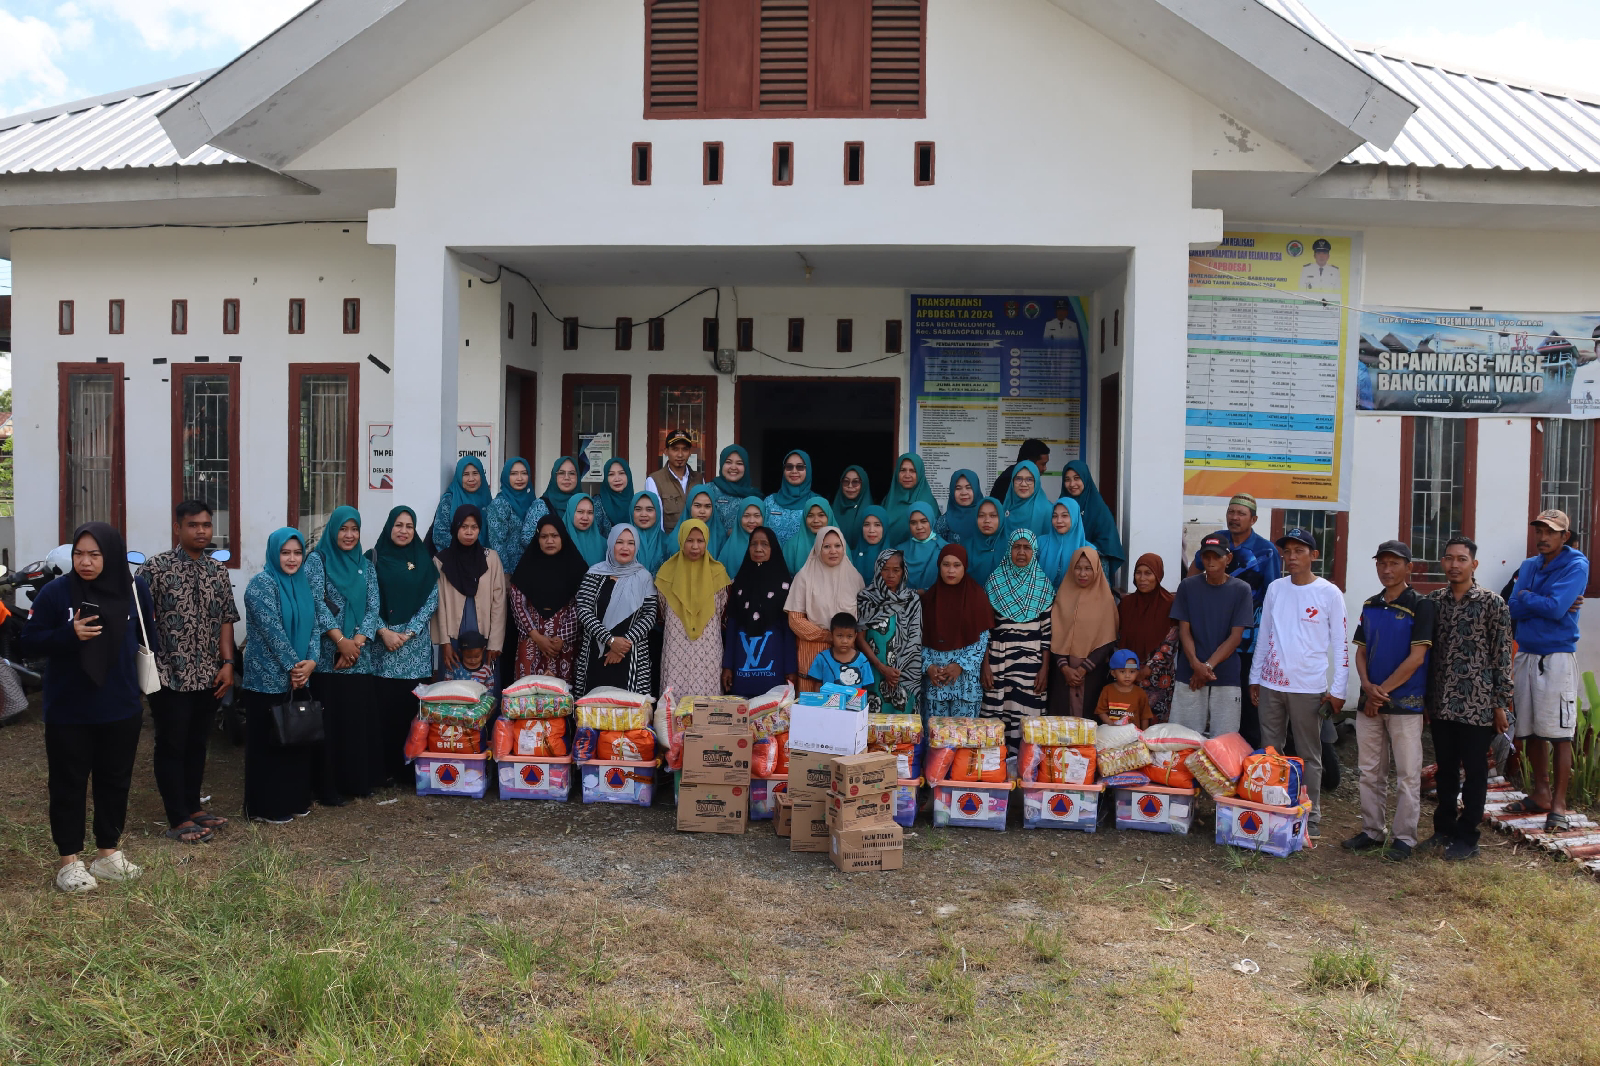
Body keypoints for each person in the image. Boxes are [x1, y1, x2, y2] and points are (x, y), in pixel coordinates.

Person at [22, 522, 154, 892]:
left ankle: (108, 855)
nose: (85, 561)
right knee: (68, 784)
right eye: (79, 553)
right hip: (69, 709)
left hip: (121, 705)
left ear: (109, 555)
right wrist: (69, 635)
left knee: (115, 781)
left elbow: (148, 637)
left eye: (94, 554)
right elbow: (29, 642)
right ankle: (70, 862)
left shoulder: (134, 589)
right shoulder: (55, 593)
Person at [139, 500, 238, 844]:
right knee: (172, 743)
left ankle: (194, 807)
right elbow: (138, 621)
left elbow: (226, 619)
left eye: (206, 525)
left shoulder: (217, 571)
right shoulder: (156, 568)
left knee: (198, 742)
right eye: (193, 525)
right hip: (170, 675)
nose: (201, 531)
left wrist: (228, 665)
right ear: (177, 528)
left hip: (208, 674)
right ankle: (177, 817)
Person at [1250, 527, 1348, 839]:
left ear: (1314, 556)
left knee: (1309, 755)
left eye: (1299, 551)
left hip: (1309, 688)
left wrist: (1338, 690)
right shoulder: (1277, 588)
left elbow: (1341, 645)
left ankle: (1312, 815)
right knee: (1271, 752)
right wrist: (1255, 678)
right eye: (1287, 551)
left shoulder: (1329, 593)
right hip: (1271, 683)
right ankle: (1275, 809)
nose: (1291, 557)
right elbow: (1264, 636)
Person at [1344, 540, 1434, 862]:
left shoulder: (1421, 605)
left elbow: (1417, 658)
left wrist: (1379, 692)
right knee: (1369, 771)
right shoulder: (1370, 605)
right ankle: (1371, 830)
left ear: (1409, 568)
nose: (1387, 569)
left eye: (1394, 563)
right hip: (1370, 701)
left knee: (1408, 774)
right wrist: (1367, 686)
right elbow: (1361, 651)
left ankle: (1405, 838)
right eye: (1382, 563)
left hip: (1405, 703)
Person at [1423, 537, 1513, 861]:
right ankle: (1443, 829)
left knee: (1475, 772)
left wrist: (1500, 704)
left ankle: (1468, 836)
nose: (1454, 565)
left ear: (1473, 565)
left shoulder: (1493, 604)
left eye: (1461, 559)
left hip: (1478, 704)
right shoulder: (1433, 601)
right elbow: (1425, 653)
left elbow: (1501, 656)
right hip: (1442, 701)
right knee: (1445, 770)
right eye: (1449, 558)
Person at [1507, 508, 1590, 831]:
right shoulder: (1529, 565)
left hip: (1556, 657)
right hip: (1526, 653)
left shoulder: (1576, 564)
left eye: (1550, 532)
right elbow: (1512, 606)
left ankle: (1558, 804)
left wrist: (1530, 597)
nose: (1543, 537)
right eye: (1539, 531)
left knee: (1559, 733)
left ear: (1564, 536)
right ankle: (1540, 793)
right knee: (1530, 731)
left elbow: (1556, 611)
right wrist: (1538, 599)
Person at [1185, 493, 1280, 746]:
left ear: (1254, 519)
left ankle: (1248, 758)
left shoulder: (1266, 550)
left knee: (1246, 699)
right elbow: (1195, 569)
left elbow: (1274, 592)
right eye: (1231, 512)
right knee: (1209, 695)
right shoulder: (1216, 540)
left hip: (1249, 636)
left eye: (1241, 513)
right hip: (1213, 630)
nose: (1234, 517)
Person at [240, 528, 319, 825]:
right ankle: (265, 807)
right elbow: (272, 631)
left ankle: (294, 799)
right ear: (275, 553)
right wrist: (294, 666)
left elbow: (313, 626)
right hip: (266, 681)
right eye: (285, 552)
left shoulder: (302, 584)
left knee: (296, 740)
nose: (292, 558)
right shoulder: (261, 585)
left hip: (300, 676)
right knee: (269, 744)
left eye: (297, 553)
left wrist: (311, 662)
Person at [305, 505, 376, 801]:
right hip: (326, 659)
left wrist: (355, 644)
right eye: (344, 529)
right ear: (333, 530)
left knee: (354, 722)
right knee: (329, 724)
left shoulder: (366, 565)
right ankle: (327, 787)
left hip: (358, 660)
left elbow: (374, 607)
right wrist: (339, 641)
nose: (349, 535)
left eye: (354, 529)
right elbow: (316, 602)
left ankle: (354, 782)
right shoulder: (316, 561)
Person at [364, 506, 439, 788]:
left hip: (414, 651)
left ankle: (409, 770)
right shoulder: (372, 559)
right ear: (389, 526)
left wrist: (406, 634)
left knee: (410, 713)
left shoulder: (423, 560)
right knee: (383, 711)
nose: (404, 530)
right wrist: (384, 631)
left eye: (409, 525)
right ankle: (382, 769)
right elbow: (366, 601)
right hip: (382, 651)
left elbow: (431, 600)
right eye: (398, 524)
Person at [1170, 536, 1253, 738]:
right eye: (1206, 556)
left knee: (1224, 741)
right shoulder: (1188, 587)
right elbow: (1184, 630)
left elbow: (1235, 637)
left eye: (1216, 556)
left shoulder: (1241, 590)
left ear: (1229, 558)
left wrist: (1206, 667)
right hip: (1190, 674)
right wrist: (1195, 664)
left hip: (1224, 675)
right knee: (1184, 738)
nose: (1210, 561)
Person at [981, 529, 1055, 749]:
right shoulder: (994, 582)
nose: (1021, 553)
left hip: (1031, 666)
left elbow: (1047, 634)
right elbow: (985, 630)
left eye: (1027, 548)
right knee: (996, 722)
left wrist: (1045, 669)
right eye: (1016, 547)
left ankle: (1023, 769)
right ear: (1009, 549)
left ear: (1035, 551)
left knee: (1026, 719)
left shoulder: (1043, 586)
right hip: (999, 661)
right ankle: (996, 767)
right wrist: (985, 665)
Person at [574, 525, 660, 695]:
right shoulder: (595, 573)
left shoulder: (644, 577)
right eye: (619, 542)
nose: (625, 548)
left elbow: (650, 615)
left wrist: (623, 644)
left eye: (630, 543)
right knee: (593, 711)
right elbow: (584, 610)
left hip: (631, 653)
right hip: (596, 653)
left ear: (636, 547)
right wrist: (610, 641)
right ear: (611, 544)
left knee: (630, 714)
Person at [656, 518, 732, 697]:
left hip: (708, 646)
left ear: (707, 542)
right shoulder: (667, 572)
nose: (695, 546)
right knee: (674, 699)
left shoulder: (718, 573)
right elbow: (662, 609)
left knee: (706, 701)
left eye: (700, 541)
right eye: (689, 540)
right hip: (676, 644)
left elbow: (721, 609)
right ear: (681, 541)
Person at [508, 513, 588, 682]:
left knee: (562, 697)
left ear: (563, 537)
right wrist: (537, 637)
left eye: (554, 536)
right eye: (544, 536)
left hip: (564, 644)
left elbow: (581, 604)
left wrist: (562, 638)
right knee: (528, 696)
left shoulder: (576, 567)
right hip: (532, 641)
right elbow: (517, 604)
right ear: (537, 539)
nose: (549, 541)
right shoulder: (526, 566)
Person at [721, 527, 799, 697]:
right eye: (753, 544)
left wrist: (790, 668)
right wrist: (728, 666)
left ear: (774, 548)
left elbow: (789, 629)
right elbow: (732, 626)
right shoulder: (739, 583)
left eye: (765, 544)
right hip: (743, 661)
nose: (758, 549)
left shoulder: (785, 585)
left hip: (774, 659)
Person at [920, 544, 994, 718]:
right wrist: (928, 666)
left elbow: (982, 638)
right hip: (935, 681)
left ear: (965, 567)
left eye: (956, 565)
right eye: (946, 565)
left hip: (965, 683)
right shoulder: (929, 600)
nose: (951, 570)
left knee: (963, 739)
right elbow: (917, 638)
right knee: (936, 740)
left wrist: (960, 665)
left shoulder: (976, 597)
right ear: (939, 567)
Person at [430, 505, 507, 671]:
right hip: (453, 637)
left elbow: (499, 603)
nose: (469, 532)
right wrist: (445, 642)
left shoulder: (491, 559)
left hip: (485, 638)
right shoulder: (441, 561)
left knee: (486, 690)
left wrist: (495, 642)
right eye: (464, 526)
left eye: (474, 527)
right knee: (452, 690)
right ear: (455, 527)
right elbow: (439, 604)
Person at [787, 527, 865, 683]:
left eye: (838, 545)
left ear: (844, 547)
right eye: (826, 546)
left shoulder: (855, 578)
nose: (833, 551)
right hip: (812, 653)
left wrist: (843, 639)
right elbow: (795, 619)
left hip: (846, 656)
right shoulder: (804, 576)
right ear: (818, 549)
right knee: (812, 704)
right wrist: (828, 636)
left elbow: (862, 621)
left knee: (843, 702)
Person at [1049, 546, 1119, 717]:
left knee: (1089, 721)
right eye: (1078, 568)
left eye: (1088, 568)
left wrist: (1082, 670)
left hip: (1093, 672)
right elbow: (1055, 634)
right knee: (1062, 724)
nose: (1082, 574)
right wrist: (1065, 669)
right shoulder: (1062, 596)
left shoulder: (1106, 600)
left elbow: (1108, 639)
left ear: (1096, 569)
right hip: (1062, 673)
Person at [856, 549, 923, 715]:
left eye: (896, 570)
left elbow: (915, 639)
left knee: (903, 729)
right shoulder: (866, 597)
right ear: (878, 570)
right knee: (874, 726)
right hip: (874, 670)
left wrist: (894, 673)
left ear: (903, 571)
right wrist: (882, 668)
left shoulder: (911, 600)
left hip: (905, 673)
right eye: (885, 569)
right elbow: (859, 637)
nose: (890, 575)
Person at [1118, 553, 1178, 724]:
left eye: (1148, 573)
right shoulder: (1126, 604)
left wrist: (1146, 670)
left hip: (1158, 680)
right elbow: (1118, 638)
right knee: (1126, 729)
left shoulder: (1170, 604)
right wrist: (1129, 671)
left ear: (1158, 575)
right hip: (1127, 676)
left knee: (1154, 730)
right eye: (1138, 573)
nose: (1142, 578)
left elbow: (1170, 643)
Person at [1060, 461, 1125, 582]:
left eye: (1077, 478)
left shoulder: (1098, 508)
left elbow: (1107, 544)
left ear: (1085, 478)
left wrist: (1081, 549)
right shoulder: (1062, 505)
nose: (1072, 484)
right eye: (1067, 479)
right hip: (1064, 569)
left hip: (1090, 570)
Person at [486, 456, 540, 576]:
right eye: (514, 473)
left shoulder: (532, 500)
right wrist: (504, 574)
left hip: (531, 568)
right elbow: (497, 543)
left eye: (524, 473)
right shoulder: (499, 504)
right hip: (509, 571)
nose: (519, 478)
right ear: (506, 476)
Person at [646, 429, 706, 534]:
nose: (680, 455)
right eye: (675, 449)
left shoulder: (699, 479)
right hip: (668, 544)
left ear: (690, 452)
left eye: (685, 449)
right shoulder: (654, 480)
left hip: (696, 543)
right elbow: (656, 523)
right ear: (666, 451)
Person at [429, 456, 491, 551]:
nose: (471, 479)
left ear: (481, 475)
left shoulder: (487, 499)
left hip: (485, 559)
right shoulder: (449, 500)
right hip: (455, 559)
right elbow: (440, 535)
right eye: (465, 474)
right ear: (458, 476)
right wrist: (464, 554)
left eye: (475, 473)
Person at [882, 453, 940, 546]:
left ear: (920, 473)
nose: (907, 475)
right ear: (897, 473)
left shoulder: (929, 502)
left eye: (913, 471)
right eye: (903, 470)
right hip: (889, 556)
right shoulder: (888, 500)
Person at [807, 612, 876, 688]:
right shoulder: (822, 658)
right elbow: (817, 686)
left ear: (855, 636)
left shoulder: (862, 660)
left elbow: (864, 690)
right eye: (839, 636)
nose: (844, 641)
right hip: (828, 700)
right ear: (831, 635)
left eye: (849, 636)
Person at [763, 449, 814, 545]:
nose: (794, 471)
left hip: (803, 558)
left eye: (800, 467)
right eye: (789, 467)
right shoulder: (769, 502)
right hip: (772, 558)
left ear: (808, 470)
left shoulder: (815, 502)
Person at [707, 444, 760, 537]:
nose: (733, 467)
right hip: (713, 547)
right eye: (728, 462)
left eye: (739, 463)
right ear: (722, 464)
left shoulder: (754, 496)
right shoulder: (709, 490)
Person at [1037, 497, 1089, 589]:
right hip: (1042, 600)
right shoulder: (1040, 543)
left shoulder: (1089, 550)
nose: (1059, 521)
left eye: (1065, 516)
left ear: (1075, 517)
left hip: (1075, 601)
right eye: (1054, 516)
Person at [1095, 650, 1154, 728]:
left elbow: (1145, 716)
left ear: (1137, 672)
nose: (1127, 675)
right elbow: (1101, 712)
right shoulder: (1107, 690)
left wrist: (1144, 736)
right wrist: (1111, 724)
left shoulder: (1140, 693)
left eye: (1132, 671)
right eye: (1122, 671)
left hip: (1133, 736)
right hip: (1112, 734)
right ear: (1113, 673)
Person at [531, 456, 583, 545]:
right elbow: (527, 538)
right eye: (561, 473)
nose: (567, 477)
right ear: (554, 477)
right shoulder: (541, 505)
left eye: (572, 473)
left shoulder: (584, 504)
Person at [782, 497, 838, 574]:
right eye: (810, 516)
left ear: (829, 517)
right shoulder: (792, 546)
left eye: (821, 515)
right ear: (805, 518)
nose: (816, 520)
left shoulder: (840, 544)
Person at [898, 503, 946, 590]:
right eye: (913, 523)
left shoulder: (944, 549)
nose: (919, 527)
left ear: (931, 521)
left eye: (924, 521)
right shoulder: (899, 551)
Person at [718, 497, 766, 578]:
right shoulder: (729, 547)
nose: (751, 520)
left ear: (764, 517)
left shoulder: (772, 544)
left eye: (757, 516)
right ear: (739, 518)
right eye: (746, 515)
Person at [964, 499, 1008, 587]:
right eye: (981, 515)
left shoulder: (1011, 546)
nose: (987, 520)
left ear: (1001, 517)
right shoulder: (966, 547)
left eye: (993, 515)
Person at [1001, 461, 1051, 537]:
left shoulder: (1048, 510)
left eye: (1029, 479)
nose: (1023, 484)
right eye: (1018, 479)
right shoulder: (1006, 507)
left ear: (1036, 482)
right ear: (1012, 482)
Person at [936, 469, 981, 546]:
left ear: (976, 489)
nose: (963, 493)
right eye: (958, 488)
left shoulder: (985, 518)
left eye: (968, 487)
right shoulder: (944, 521)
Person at [832, 466, 873, 549]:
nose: (850, 486)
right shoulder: (831, 510)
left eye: (855, 482)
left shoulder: (871, 513)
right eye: (846, 482)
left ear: (863, 484)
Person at [628, 491, 668, 574]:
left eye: (649, 510)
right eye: (638, 509)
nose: (643, 514)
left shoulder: (667, 543)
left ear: (657, 512)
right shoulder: (622, 541)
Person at [850, 506, 891, 585]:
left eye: (877, 525)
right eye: (866, 524)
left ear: (885, 528)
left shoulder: (894, 558)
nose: (871, 530)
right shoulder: (850, 556)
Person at [565, 493, 608, 566]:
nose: (585, 517)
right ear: (570, 512)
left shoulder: (604, 544)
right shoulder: (559, 541)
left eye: (590, 512)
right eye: (580, 512)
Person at [596, 458, 635, 533]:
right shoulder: (597, 503)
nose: (617, 479)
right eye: (611, 474)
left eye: (621, 473)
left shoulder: (636, 503)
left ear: (628, 475)